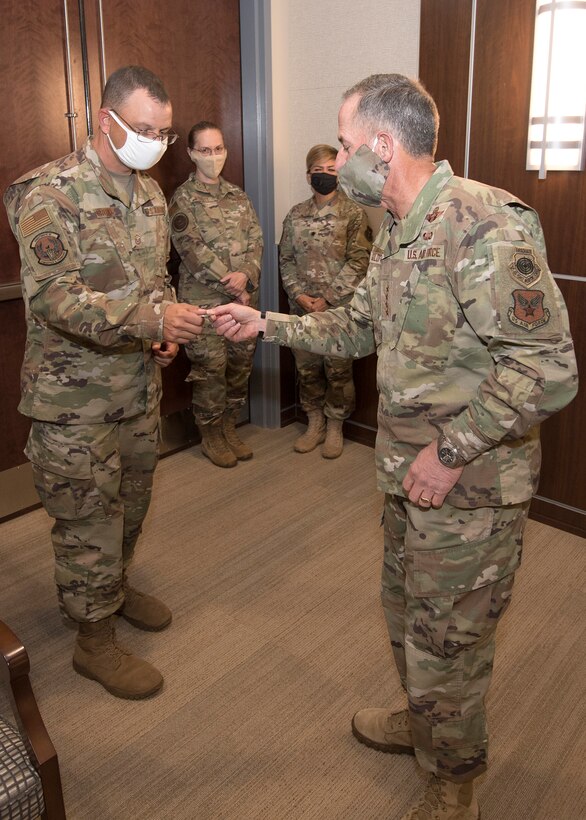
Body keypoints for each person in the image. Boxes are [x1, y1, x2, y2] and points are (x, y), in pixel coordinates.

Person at [210, 74, 578, 819]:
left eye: (343, 144)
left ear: (382, 145)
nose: (336, 158)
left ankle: (452, 788)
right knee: (407, 613)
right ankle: (423, 722)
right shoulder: (396, 228)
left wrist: (449, 453)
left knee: (450, 644)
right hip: (408, 477)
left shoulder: (482, 223)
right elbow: (358, 325)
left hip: (470, 488)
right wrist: (267, 324)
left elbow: (548, 368)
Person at [4, 65, 206, 700]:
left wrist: (162, 328)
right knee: (87, 520)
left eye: (164, 133)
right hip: (73, 402)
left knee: (132, 504)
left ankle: (113, 590)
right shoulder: (49, 193)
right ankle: (92, 639)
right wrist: (150, 319)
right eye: (144, 129)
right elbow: (56, 298)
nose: (155, 143)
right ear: (105, 120)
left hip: (135, 389)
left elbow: (154, 280)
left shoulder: (149, 196)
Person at [169, 121, 263, 468]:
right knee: (211, 369)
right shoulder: (182, 199)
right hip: (204, 304)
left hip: (243, 302)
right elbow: (191, 250)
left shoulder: (238, 196)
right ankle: (210, 435)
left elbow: (256, 241)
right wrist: (232, 282)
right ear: (191, 153)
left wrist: (247, 276)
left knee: (239, 366)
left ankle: (228, 427)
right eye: (205, 150)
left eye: (219, 149)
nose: (213, 156)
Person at [279, 143, 371, 458]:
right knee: (307, 369)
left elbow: (359, 261)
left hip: (338, 311)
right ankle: (315, 422)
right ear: (308, 176)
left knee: (338, 371)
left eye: (331, 170)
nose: (324, 175)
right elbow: (286, 259)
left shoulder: (353, 213)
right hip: (302, 309)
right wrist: (299, 295)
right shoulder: (295, 215)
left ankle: (335, 426)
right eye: (318, 171)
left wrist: (328, 299)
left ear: (340, 173)